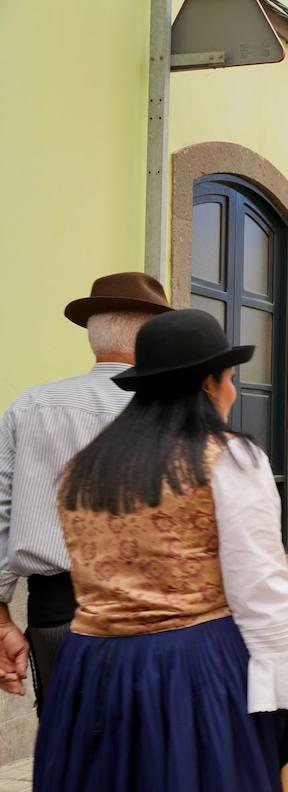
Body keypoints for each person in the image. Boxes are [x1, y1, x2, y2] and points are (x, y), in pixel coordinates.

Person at [27, 308, 288, 792]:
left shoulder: (83, 471)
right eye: (229, 375)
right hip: (191, 675)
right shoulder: (227, 458)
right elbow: (265, 607)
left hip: (91, 676)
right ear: (206, 383)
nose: (235, 388)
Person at [0, 273, 171, 712]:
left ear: (94, 339)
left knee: (69, 744)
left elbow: (2, 509)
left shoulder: (33, 406)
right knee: (149, 745)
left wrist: (1, 613)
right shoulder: (177, 411)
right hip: (159, 613)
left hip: (58, 612)